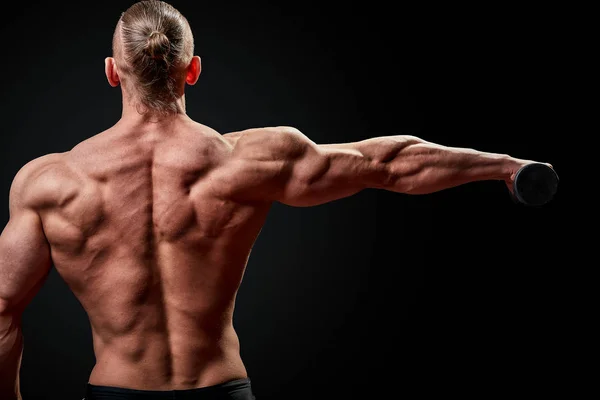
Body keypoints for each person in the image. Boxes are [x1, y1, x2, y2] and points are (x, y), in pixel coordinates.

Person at [0, 1, 554, 399]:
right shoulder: (247, 161)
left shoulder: (51, 182)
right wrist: (504, 167)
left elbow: (4, 313)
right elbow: (386, 163)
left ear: (110, 72)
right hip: (221, 390)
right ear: (192, 70)